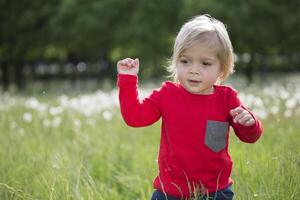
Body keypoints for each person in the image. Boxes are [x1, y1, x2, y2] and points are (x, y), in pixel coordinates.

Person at [116, 14, 263, 200]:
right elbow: (134, 117)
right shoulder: (167, 94)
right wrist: (128, 80)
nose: (194, 69)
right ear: (176, 61)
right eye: (185, 61)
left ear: (222, 68)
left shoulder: (227, 99)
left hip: (215, 192)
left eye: (205, 63)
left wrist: (249, 123)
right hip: (171, 193)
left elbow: (250, 136)